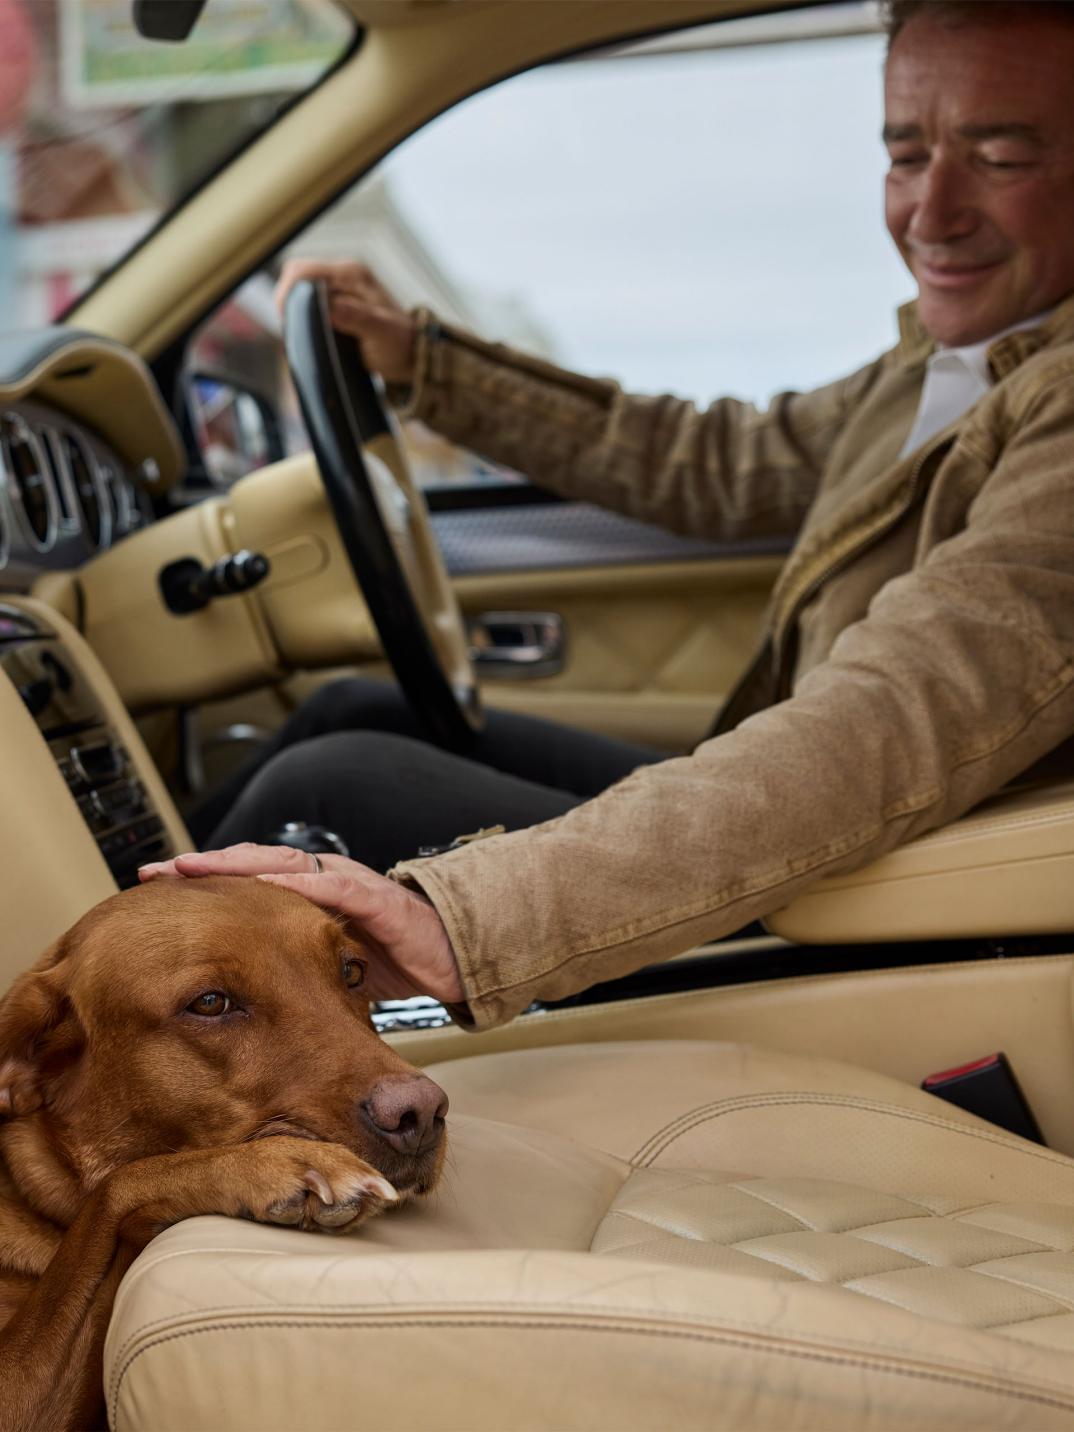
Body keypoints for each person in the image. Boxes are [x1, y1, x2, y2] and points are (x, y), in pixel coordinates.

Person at [143, 0, 1074, 1031]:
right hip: (821, 815)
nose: (930, 212)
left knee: (335, 775)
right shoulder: (952, 364)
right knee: (350, 711)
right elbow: (715, 462)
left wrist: (463, 917)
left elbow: (898, 714)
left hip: (870, 878)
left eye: (999, 157)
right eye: (905, 155)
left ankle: (93, 1031)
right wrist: (428, 363)